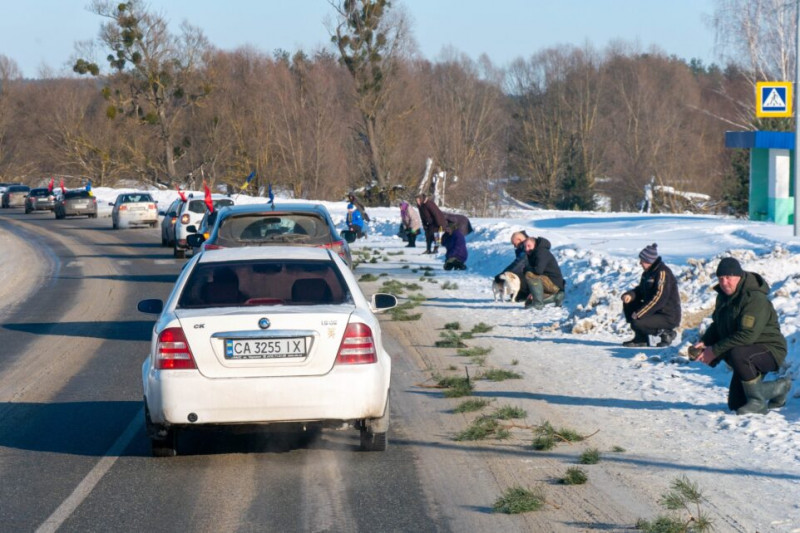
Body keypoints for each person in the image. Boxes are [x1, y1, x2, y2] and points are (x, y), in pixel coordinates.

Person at [691, 257, 790, 415]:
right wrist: (705, 342)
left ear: (739, 276)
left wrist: (714, 351)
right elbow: (717, 324)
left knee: (738, 353)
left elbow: (747, 335)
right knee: (736, 404)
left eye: (728, 277)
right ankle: (780, 388)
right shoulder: (723, 297)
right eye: (720, 278)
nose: (724, 282)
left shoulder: (754, 298)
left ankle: (758, 403)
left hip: (769, 350)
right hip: (745, 352)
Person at [621, 243, 681, 348]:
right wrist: (630, 295)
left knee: (637, 322)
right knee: (629, 302)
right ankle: (641, 338)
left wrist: (640, 313)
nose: (640, 263)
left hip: (667, 315)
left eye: (642, 260)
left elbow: (659, 299)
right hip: (654, 312)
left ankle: (666, 333)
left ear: (649, 261)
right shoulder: (647, 273)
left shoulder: (662, 273)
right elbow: (640, 290)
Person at [522, 235, 565, 309]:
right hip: (548, 283)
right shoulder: (533, 253)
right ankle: (557, 296)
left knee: (529, 274)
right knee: (528, 303)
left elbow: (538, 271)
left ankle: (538, 303)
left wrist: (527, 269)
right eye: (525, 246)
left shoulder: (541, 252)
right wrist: (532, 293)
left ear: (535, 244)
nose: (526, 249)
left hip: (554, 284)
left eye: (529, 246)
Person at [493, 231, 529, 302]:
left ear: (519, 240)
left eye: (515, 244)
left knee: (516, 275)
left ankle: (525, 294)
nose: (514, 246)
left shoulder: (527, 248)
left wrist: (503, 274)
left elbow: (518, 264)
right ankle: (520, 295)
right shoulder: (522, 248)